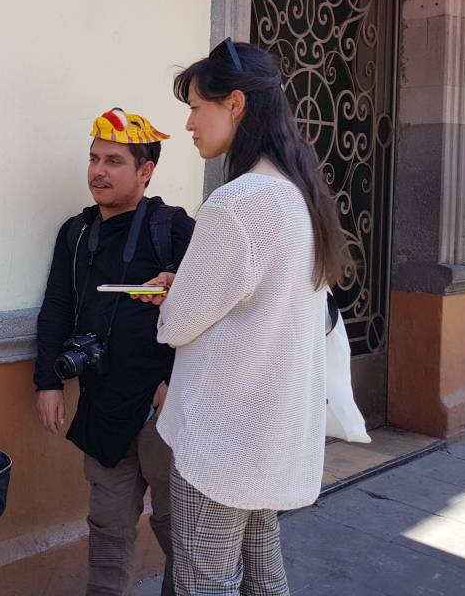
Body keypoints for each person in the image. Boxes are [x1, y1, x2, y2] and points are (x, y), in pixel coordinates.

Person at [136, 40, 350, 596]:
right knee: (264, 578)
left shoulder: (238, 201)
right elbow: (262, 299)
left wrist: (175, 298)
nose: (187, 124)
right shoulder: (297, 195)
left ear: (235, 104)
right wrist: (191, 287)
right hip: (273, 434)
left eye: (195, 107)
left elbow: (176, 326)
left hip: (221, 438)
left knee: (205, 582)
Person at [35, 109, 195, 596]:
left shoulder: (175, 229)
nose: (98, 171)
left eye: (113, 161)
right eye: (93, 159)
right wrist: (47, 381)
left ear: (145, 171)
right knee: (106, 534)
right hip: (102, 407)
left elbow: (210, 319)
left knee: (184, 539)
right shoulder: (76, 232)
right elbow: (58, 306)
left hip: (162, 413)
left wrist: (177, 383)